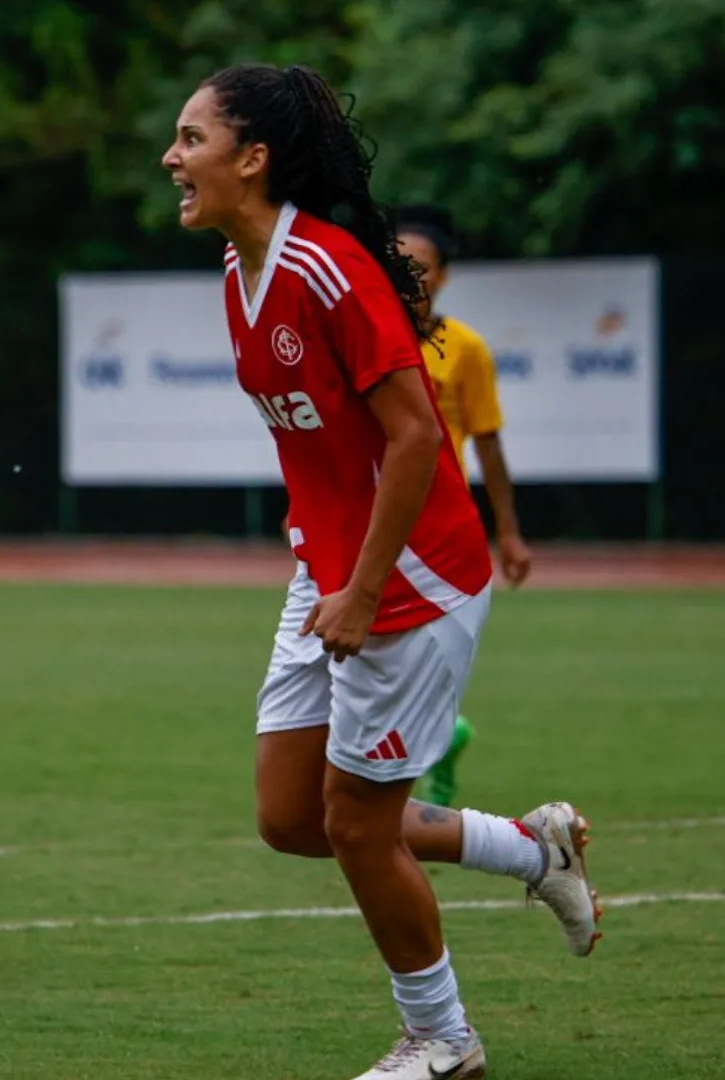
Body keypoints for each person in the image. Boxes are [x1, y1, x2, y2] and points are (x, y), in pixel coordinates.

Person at [163, 64, 601, 1080]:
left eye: (191, 139)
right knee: (289, 818)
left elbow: (414, 441)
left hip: (410, 580)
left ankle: (443, 1039)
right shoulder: (239, 275)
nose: (172, 158)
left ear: (253, 159)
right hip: (334, 572)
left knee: (357, 828)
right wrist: (330, 565)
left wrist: (362, 588)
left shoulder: (330, 269)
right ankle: (536, 850)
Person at [391, 205, 532, 808]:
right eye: (395, 263)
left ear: (443, 277)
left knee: (403, 647)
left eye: (419, 267)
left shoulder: (464, 348)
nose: (407, 277)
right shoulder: (364, 336)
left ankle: (430, 741)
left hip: (435, 524)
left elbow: (490, 440)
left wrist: (510, 532)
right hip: (367, 513)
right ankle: (439, 737)